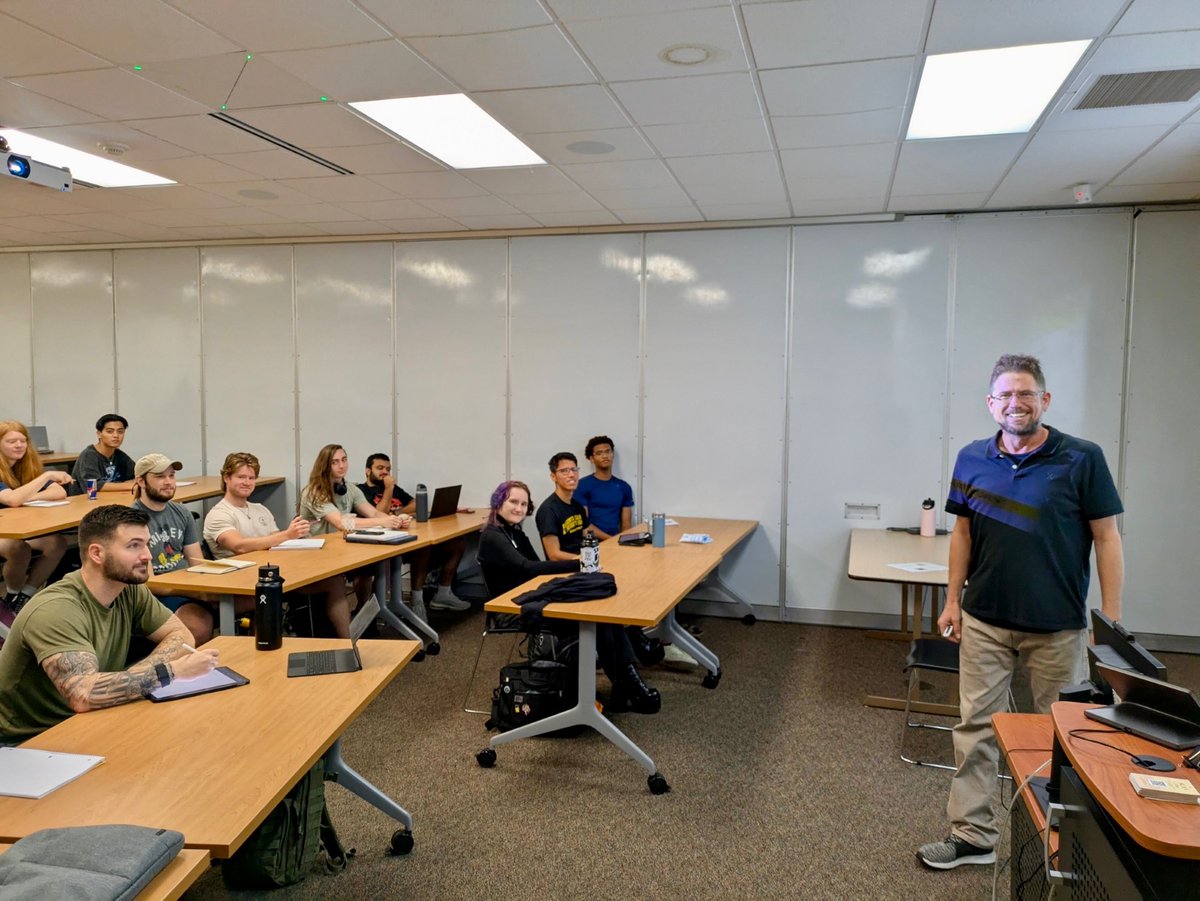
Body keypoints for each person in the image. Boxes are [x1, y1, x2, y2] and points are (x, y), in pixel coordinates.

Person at [918, 354, 1125, 870]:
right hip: (984, 618)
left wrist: (1111, 622)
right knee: (976, 728)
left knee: (1060, 737)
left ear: (1044, 400)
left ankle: (1057, 840)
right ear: (991, 404)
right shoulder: (971, 457)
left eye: (1026, 393)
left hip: (1056, 626)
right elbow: (962, 532)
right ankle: (973, 836)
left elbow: (1107, 536)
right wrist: (951, 600)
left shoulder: (1082, 458)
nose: (1016, 403)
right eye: (1006, 395)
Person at [0, 504, 219, 743]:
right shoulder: (56, 609)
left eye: (146, 543)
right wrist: (172, 672)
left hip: (88, 720)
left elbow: (181, 634)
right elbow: (83, 694)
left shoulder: (128, 590)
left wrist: (136, 677)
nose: (147, 555)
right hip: (29, 740)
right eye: (134, 546)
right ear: (97, 554)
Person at [477, 479, 660, 713]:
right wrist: (577, 565)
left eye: (523, 504)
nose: (518, 509)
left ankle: (626, 684)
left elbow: (535, 568)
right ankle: (628, 684)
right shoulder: (492, 536)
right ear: (498, 502)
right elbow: (527, 568)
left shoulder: (515, 533)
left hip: (531, 597)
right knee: (599, 619)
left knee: (604, 614)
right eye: (513, 501)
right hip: (511, 610)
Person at [204, 451, 352, 638]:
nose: (247, 482)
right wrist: (285, 535)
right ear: (226, 478)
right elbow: (239, 546)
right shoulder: (219, 514)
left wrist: (296, 536)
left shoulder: (260, 509)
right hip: (240, 586)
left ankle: (346, 642)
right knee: (270, 596)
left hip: (273, 577)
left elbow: (279, 543)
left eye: (251, 478)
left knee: (334, 581)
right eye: (241, 477)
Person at [536, 452, 664, 666]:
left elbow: (587, 531)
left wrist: (612, 547)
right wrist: (586, 561)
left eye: (574, 470)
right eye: (564, 471)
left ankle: (637, 642)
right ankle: (631, 649)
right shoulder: (548, 510)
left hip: (586, 565)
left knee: (629, 579)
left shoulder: (575, 505)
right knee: (615, 589)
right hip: (568, 571)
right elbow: (553, 554)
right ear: (553, 476)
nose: (571, 475)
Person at [358, 452, 469, 612]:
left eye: (388, 469)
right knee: (421, 548)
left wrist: (396, 513)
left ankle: (440, 595)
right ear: (368, 471)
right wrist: (388, 489)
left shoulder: (395, 490)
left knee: (457, 544)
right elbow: (378, 513)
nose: (385, 472)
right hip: (381, 544)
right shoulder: (362, 491)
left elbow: (415, 503)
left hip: (403, 536)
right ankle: (410, 603)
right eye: (380, 468)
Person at [131, 453, 214, 644]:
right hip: (159, 595)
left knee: (258, 599)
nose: (168, 482)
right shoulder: (132, 520)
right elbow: (149, 584)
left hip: (189, 587)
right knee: (198, 626)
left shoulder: (182, 512)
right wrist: (195, 592)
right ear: (141, 481)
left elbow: (197, 562)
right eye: (160, 477)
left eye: (171, 476)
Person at [0, 420, 72, 624]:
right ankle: (11, 597)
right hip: (5, 533)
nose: (19, 445)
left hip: (16, 527)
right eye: (11, 441)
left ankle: (25, 596)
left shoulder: (25, 466)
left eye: (23, 441)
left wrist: (25, 496)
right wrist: (48, 475)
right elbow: (12, 500)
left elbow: (59, 491)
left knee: (56, 543)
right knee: (18, 548)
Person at [298, 444, 409, 537]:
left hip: (338, 544)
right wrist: (382, 522)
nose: (342, 466)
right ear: (325, 466)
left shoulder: (350, 488)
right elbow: (340, 523)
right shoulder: (314, 492)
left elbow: (374, 513)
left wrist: (395, 520)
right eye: (334, 462)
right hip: (313, 548)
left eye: (344, 460)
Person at [575, 435, 634, 539]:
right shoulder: (582, 485)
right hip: (591, 543)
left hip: (616, 543)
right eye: (599, 453)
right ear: (591, 459)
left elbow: (626, 525)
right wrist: (611, 541)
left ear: (612, 455)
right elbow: (584, 526)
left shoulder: (624, 487)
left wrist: (624, 543)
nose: (605, 456)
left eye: (608, 451)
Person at [70, 413, 135, 495]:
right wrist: (129, 485)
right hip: (84, 502)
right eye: (110, 431)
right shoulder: (89, 455)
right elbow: (92, 486)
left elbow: (139, 476)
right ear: (99, 434)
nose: (116, 435)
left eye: (120, 431)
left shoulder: (120, 455)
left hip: (110, 499)